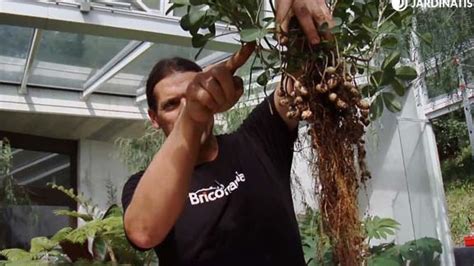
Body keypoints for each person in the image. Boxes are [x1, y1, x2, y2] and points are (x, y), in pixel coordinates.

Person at [121, 0, 333, 265]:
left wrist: (297, 19)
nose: (187, 107)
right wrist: (192, 116)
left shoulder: (257, 140)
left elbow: (299, 76)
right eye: (172, 105)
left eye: (193, 96)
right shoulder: (142, 185)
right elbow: (143, 231)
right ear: (154, 118)